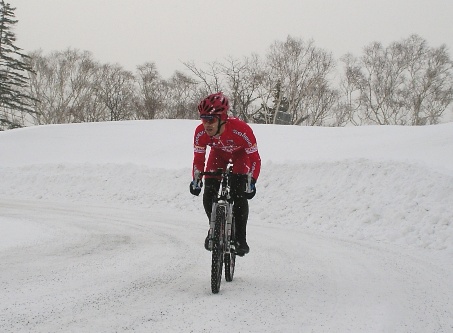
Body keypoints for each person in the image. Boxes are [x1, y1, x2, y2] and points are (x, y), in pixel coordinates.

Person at [189, 92, 261, 256]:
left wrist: (252, 181)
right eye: (203, 119)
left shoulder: (241, 129)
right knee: (209, 193)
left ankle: (241, 239)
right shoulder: (200, 133)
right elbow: (199, 158)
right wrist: (196, 180)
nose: (207, 124)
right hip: (218, 155)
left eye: (211, 120)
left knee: (238, 193)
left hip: (240, 156)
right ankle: (214, 229)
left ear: (223, 118)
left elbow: (255, 158)